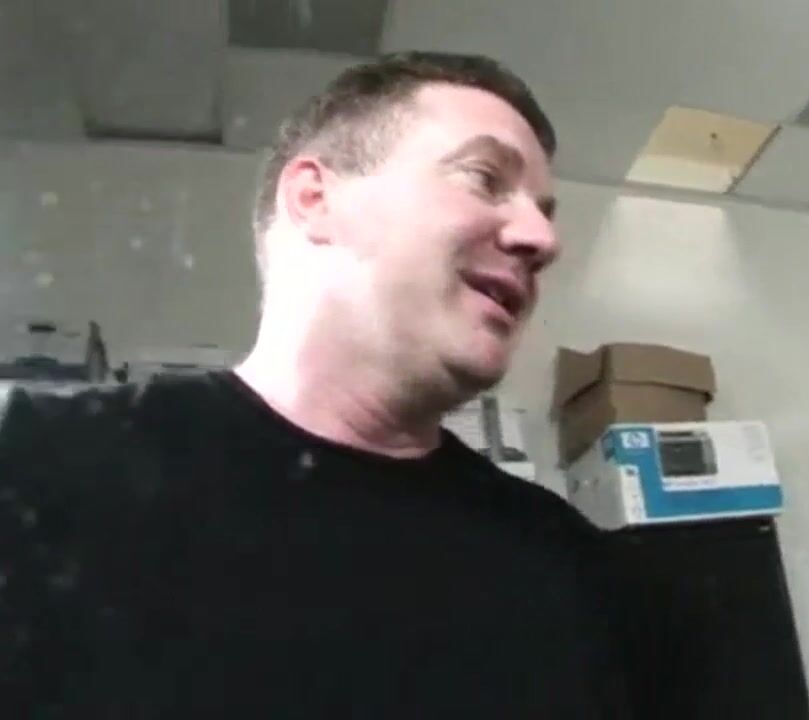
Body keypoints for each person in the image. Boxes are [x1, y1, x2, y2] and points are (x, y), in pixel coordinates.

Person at [0, 52, 634, 718]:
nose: (543, 239)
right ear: (314, 199)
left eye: (544, 211)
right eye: (484, 177)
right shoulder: (42, 465)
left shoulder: (561, 560)